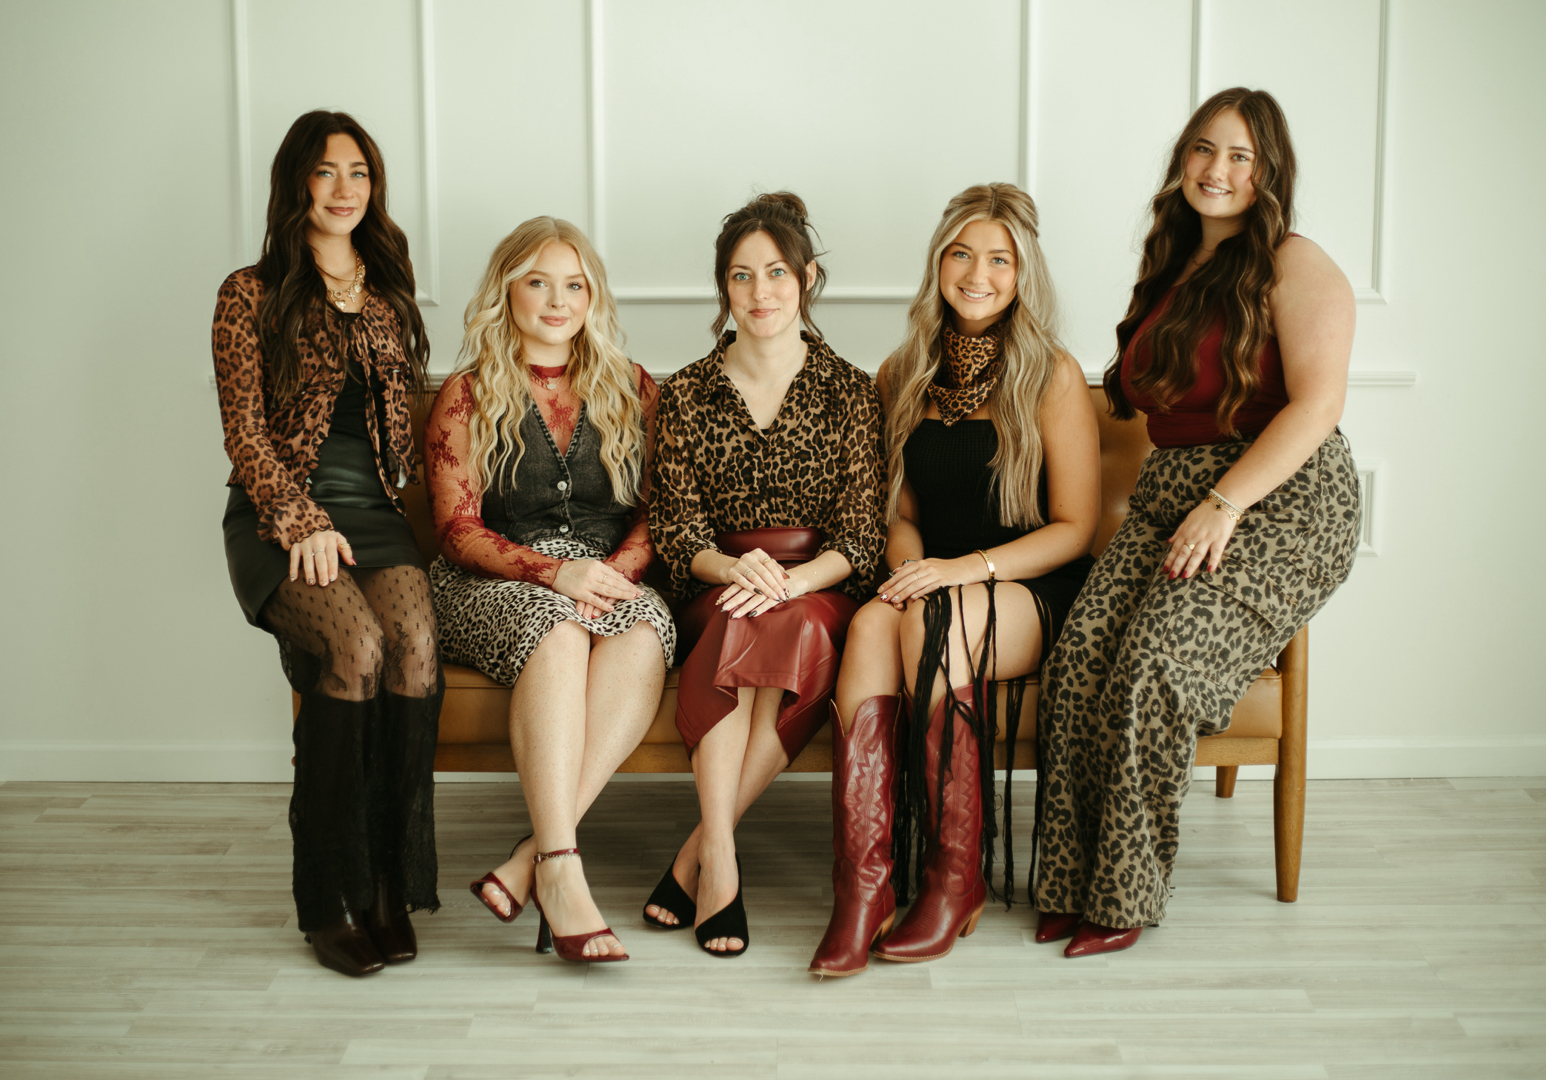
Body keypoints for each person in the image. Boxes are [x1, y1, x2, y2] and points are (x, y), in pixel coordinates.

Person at [1032, 87, 1361, 958]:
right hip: (1172, 492)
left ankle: (1123, 895)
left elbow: (1318, 406)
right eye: (1204, 149)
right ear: (1183, 158)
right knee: (1078, 659)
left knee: (1155, 666)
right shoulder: (1173, 263)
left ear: (1269, 173)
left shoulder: (1295, 262)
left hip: (1278, 498)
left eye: (1241, 156)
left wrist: (1224, 505)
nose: (1217, 169)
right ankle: (1067, 880)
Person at [807, 183, 1100, 976]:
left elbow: (1075, 527)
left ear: (1023, 273)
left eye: (1000, 259)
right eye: (962, 254)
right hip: (933, 584)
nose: (978, 274)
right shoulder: (903, 372)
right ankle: (864, 887)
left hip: (1030, 581)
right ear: (939, 263)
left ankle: (952, 877)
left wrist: (962, 571)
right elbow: (900, 511)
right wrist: (910, 570)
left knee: (934, 620)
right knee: (875, 622)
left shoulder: (1051, 374)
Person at [213, 110, 441, 977]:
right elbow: (244, 432)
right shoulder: (250, 291)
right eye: (325, 171)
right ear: (296, 183)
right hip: (277, 515)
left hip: (374, 516)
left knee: (414, 645)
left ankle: (388, 881)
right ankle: (328, 894)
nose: (345, 189)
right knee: (357, 646)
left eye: (360, 173)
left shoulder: (386, 291)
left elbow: (401, 433)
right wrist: (299, 518)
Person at [643, 192, 886, 957]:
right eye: (741, 276)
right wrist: (733, 569)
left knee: (785, 622)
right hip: (718, 584)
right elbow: (675, 529)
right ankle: (718, 857)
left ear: (806, 278)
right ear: (724, 287)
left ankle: (705, 855)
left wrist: (795, 580)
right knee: (738, 618)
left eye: (776, 272)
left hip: (818, 588)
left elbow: (862, 534)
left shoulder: (851, 390)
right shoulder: (686, 392)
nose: (760, 292)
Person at [426, 218, 673, 964]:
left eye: (574, 285)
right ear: (507, 291)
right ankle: (563, 873)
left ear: (592, 297)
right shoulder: (468, 393)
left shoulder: (633, 388)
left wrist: (613, 575)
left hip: (603, 575)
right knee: (557, 626)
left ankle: (531, 858)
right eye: (538, 282)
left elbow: (659, 513)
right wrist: (555, 574)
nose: (558, 300)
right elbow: (457, 530)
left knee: (644, 627)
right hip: (490, 581)